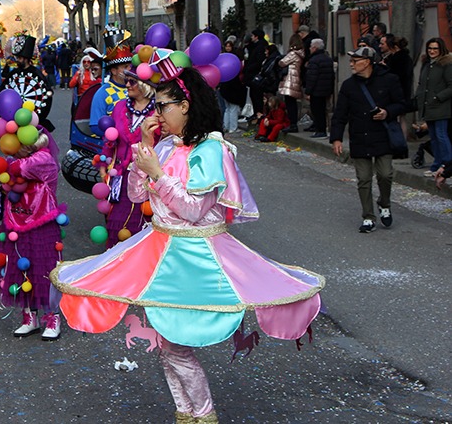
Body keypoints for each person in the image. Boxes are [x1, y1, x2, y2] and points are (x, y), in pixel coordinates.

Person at [51, 62, 324, 424]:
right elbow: (135, 195)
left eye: (162, 105)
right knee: (166, 346)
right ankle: (186, 414)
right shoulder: (165, 147)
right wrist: (145, 152)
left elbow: (195, 210)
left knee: (176, 348)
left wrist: (159, 175)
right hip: (160, 249)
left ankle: (204, 415)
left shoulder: (212, 151)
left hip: (196, 257)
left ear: (186, 106)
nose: (157, 113)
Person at [0, 126, 65, 341]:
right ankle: (29, 315)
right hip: (17, 220)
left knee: (44, 268)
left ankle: (53, 317)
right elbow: (2, 180)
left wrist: (2, 169)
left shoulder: (44, 159)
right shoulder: (16, 159)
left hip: (41, 222)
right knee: (19, 265)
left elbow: (18, 169)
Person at [330, 46, 407, 233]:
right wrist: (336, 139)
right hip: (360, 136)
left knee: (385, 173)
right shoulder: (349, 86)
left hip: (382, 134)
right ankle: (368, 217)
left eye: (355, 61)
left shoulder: (389, 80)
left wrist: (387, 112)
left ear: (367, 62)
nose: (351, 64)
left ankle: (384, 203)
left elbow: (402, 104)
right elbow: (340, 114)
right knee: (363, 179)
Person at [99, 73, 155, 247]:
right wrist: (104, 163)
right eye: (126, 81)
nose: (127, 85)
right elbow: (111, 138)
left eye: (132, 82)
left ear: (145, 85)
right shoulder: (120, 107)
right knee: (116, 222)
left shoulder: (158, 112)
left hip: (147, 179)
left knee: (142, 225)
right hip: (120, 176)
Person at [414, 37, 452, 176]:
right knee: (434, 137)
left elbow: (451, 85)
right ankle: (437, 164)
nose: (432, 51)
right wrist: (419, 96)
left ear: (441, 49)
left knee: (442, 135)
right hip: (427, 106)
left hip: (440, 107)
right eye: (430, 48)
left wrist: (438, 97)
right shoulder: (427, 64)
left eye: (435, 48)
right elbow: (422, 84)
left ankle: (447, 164)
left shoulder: (446, 64)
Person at [89, 28, 133, 135]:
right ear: (113, 70)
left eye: (130, 66)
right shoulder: (102, 94)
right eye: (125, 67)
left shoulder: (136, 89)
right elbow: (95, 126)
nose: (129, 70)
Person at [303, 38, 335, 138]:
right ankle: (322, 129)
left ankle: (320, 130)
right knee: (323, 110)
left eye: (311, 47)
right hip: (325, 89)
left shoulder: (314, 60)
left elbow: (312, 77)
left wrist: (308, 91)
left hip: (316, 90)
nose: (309, 49)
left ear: (315, 48)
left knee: (317, 111)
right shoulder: (327, 59)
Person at [218, 37, 245, 134]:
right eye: (227, 46)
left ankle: (226, 126)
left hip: (225, 86)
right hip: (231, 87)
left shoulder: (222, 59)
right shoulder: (234, 60)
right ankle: (232, 127)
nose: (228, 48)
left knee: (228, 108)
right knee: (232, 108)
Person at [278, 34, 305, 133]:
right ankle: (292, 123)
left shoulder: (293, 54)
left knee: (290, 103)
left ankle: (293, 124)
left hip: (290, 79)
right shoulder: (301, 53)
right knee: (291, 103)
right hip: (295, 77)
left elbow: (282, 62)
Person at [243, 29, 268, 121]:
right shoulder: (255, 46)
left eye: (253, 36)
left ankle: (259, 113)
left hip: (254, 74)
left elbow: (258, 61)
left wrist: (249, 68)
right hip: (251, 73)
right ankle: (256, 112)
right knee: (253, 95)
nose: (252, 38)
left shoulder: (260, 47)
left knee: (257, 95)